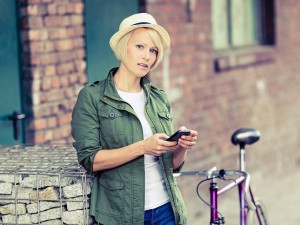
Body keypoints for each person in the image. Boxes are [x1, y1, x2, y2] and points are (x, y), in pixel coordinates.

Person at [71, 13, 198, 225]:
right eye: (140, 46)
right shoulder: (92, 97)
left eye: (153, 50)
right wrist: (142, 147)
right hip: (123, 216)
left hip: (168, 210)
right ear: (123, 48)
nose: (147, 56)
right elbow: (90, 160)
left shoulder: (158, 98)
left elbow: (172, 165)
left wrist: (182, 147)